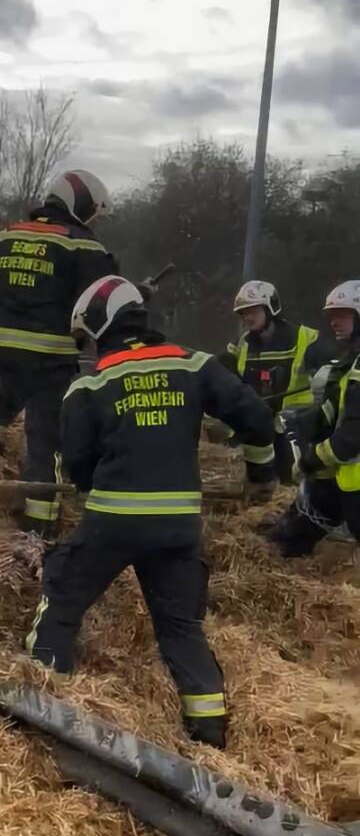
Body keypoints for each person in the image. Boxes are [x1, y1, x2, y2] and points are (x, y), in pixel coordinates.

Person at [26, 276, 276, 749]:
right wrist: (261, 474)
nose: (89, 349)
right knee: (181, 628)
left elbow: (78, 465)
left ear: (101, 326)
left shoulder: (91, 384)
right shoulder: (194, 364)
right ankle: (209, 736)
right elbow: (258, 421)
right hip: (179, 529)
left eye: (88, 339)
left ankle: (43, 702)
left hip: (113, 524)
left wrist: (96, 478)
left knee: (62, 599)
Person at [0, 170, 118, 537]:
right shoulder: (84, 247)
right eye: (93, 213)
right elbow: (106, 300)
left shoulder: (7, 235)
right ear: (80, 204)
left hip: (3, 358)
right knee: (45, 442)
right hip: (49, 363)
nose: (93, 222)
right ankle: (39, 527)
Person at [267, 281, 360, 556]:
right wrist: (306, 422)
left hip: (351, 477)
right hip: (347, 481)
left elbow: (351, 436)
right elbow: (338, 410)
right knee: (302, 522)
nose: (333, 321)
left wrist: (312, 459)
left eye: (342, 314)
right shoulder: (352, 362)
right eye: (331, 315)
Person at [219, 281, 320, 484]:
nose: (247, 318)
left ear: (270, 308)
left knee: (292, 475)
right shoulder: (241, 344)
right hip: (258, 425)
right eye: (243, 313)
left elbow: (328, 379)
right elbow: (223, 376)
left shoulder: (306, 338)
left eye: (253, 311)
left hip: (295, 426)